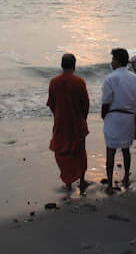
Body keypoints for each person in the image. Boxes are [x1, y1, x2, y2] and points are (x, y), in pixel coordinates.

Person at [101, 48, 136, 194]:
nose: (111, 62)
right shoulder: (135, 78)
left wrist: (103, 116)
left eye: (113, 59)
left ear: (118, 60)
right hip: (128, 117)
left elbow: (106, 102)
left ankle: (110, 184)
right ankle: (126, 177)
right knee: (126, 150)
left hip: (113, 116)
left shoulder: (110, 78)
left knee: (110, 151)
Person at [47, 54, 90, 190]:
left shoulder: (54, 82)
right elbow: (86, 104)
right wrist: (83, 118)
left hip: (61, 122)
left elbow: (51, 104)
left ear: (61, 65)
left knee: (62, 151)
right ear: (74, 65)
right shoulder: (79, 82)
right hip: (77, 122)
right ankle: (82, 180)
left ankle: (68, 182)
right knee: (80, 152)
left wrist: (58, 115)